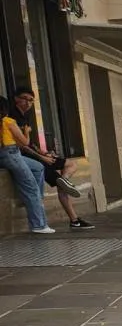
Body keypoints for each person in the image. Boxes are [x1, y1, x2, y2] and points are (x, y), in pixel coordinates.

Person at [11, 87, 93, 230]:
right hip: (28, 159)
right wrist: (41, 158)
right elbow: (21, 145)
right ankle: (73, 219)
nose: (28, 103)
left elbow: (30, 142)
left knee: (70, 164)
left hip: (37, 156)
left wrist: (44, 153)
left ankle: (65, 181)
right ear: (16, 99)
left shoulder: (25, 117)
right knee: (60, 185)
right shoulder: (12, 118)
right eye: (24, 98)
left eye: (31, 100)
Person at [0, 97, 54, 234]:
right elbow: (24, 142)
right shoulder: (9, 122)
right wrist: (26, 131)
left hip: (7, 154)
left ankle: (33, 199)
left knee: (38, 167)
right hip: (12, 154)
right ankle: (39, 225)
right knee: (31, 188)